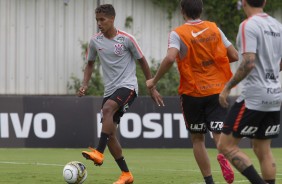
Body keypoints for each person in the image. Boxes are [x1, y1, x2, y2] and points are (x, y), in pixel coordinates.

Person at [146, 0, 238, 183]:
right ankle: (223, 155)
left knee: (197, 139)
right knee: (219, 134)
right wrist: (211, 62)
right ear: (201, 10)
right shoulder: (214, 28)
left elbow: (171, 57)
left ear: (182, 11)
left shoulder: (178, 33)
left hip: (192, 92)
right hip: (217, 90)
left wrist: (153, 80)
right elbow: (234, 55)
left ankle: (209, 181)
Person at [77, 4, 164, 184]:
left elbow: (142, 61)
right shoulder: (95, 41)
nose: (99, 23)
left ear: (112, 19)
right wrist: (85, 83)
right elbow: (90, 64)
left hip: (128, 86)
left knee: (107, 109)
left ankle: (98, 152)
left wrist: (151, 85)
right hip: (110, 90)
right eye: (97, 20)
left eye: (102, 20)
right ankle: (126, 174)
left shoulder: (126, 39)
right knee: (110, 135)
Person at [218, 0, 282, 184]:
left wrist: (227, 87)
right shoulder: (277, 26)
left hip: (254, 96)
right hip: (275, 94)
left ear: (243, 2)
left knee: (226, 145)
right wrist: (269, 74)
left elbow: (248, 62)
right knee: (263, 149)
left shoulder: (249, 25)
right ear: (265, 1)